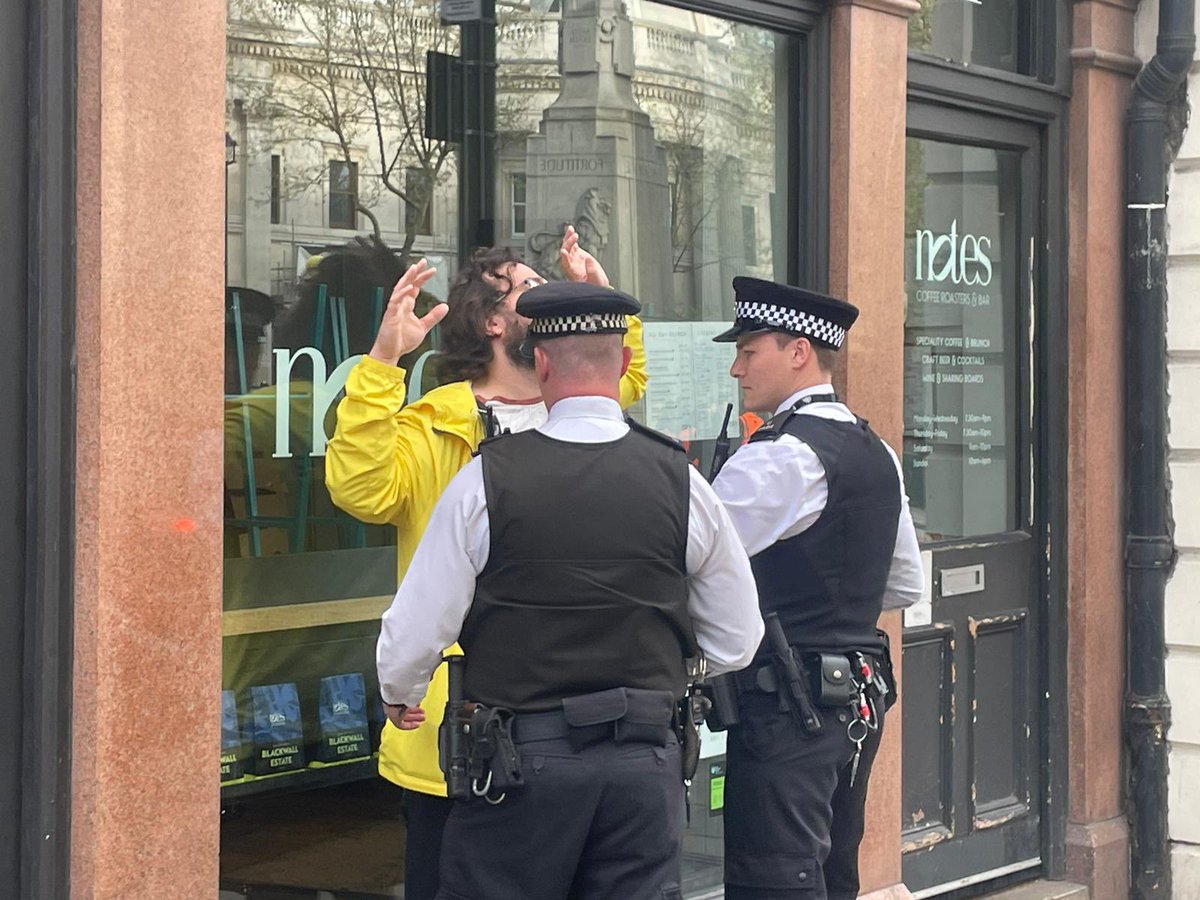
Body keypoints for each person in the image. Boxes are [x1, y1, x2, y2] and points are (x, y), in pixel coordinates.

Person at [375, 280, 764, 900]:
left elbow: (420, 622)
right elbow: (739, 638)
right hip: (645, 759)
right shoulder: (681, 481)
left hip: (519, 763)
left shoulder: (487, 480)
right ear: (626, 363)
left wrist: (401, 692)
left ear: (544, 361)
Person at [323, 228, 647, 900]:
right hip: (468, 737)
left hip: (586, 728)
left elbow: (623, 369)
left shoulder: (591, 415)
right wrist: (383, 364)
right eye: (531, 290)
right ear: (495, 322)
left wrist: (599, 301)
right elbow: (362, 489)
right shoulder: (437, 425)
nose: (549, 297)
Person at [708, 277, 924, 900]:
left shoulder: (779, 456)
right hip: (855, 696)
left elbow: (693, 561)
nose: (737, 367)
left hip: (787, 701)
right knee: (831, 871)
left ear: (798, 350)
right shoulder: (873, 447)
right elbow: (903, 582)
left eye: (749, 351)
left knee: (772, 875)